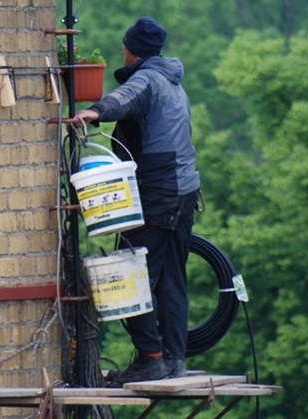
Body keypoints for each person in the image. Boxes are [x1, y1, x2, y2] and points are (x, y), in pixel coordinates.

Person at [74, 16, 200, 384]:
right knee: (172, 280)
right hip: (185, 193)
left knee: (131, 273)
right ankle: (174, 360)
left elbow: (125, 98)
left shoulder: (147, 79)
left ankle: (150, 358)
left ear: (133, 50)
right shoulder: (174, 82)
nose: (122, 52)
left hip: (157, 195)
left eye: (124, 46)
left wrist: (93, 112)